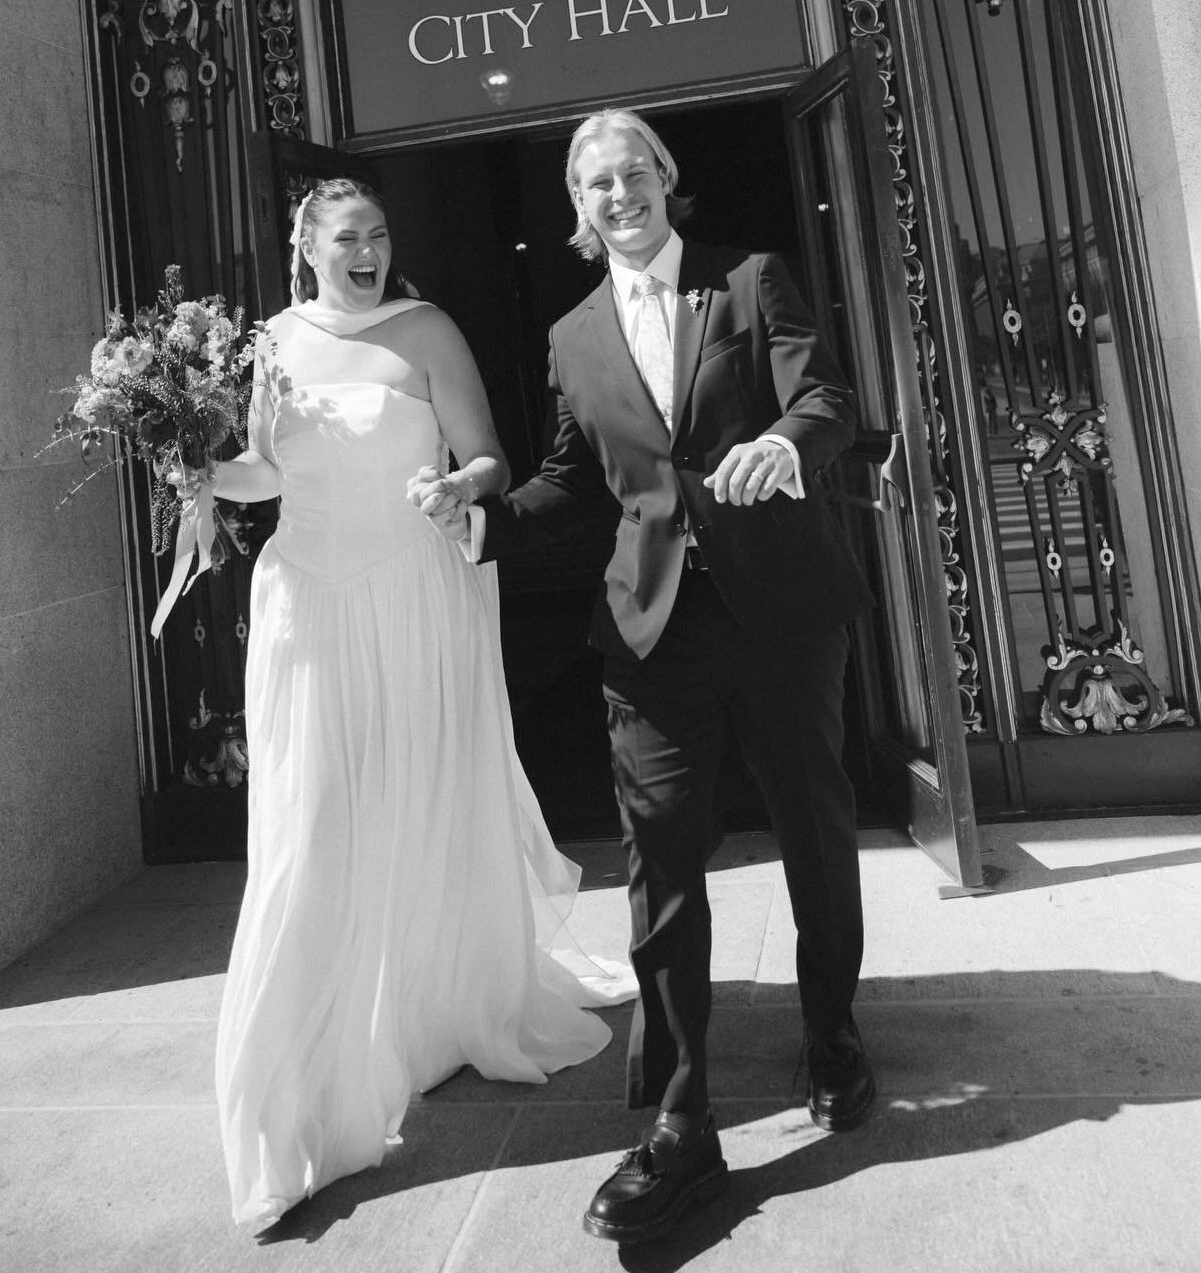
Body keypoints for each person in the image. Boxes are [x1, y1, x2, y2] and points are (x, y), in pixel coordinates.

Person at [413, 109, 876, 1247]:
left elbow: (826, 400)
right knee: (660, 869)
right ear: (578, 207)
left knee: (815, 831)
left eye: (633, 174)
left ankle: (832, 1033)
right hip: (650, 633)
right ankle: (679, 1122)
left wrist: (784, 445)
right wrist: (480, 518)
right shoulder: (573, 335)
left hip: (781, 614)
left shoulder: (751, 279)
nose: (618, 195)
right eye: (596, 184)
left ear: (666, 180)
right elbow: (578, 481)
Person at [205, 177, 634, 1232]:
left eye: (380, 235)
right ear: (307, 247)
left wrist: (460, 487)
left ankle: (435, 1010)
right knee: (311, 831)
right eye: (348, 237)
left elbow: (488, 457)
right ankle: (297, 1114)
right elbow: (263, 474)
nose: (368, 252)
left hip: (414, 596)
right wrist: (196, 467)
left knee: (425, 805)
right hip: (308, 606)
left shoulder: (428, 328)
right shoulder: (269, 343)